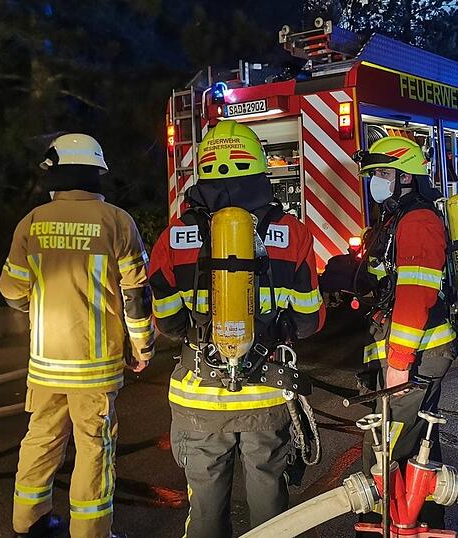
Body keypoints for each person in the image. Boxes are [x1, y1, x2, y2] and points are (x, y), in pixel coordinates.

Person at [149, 120, 325, 537]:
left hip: (199, 397)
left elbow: (168, 322)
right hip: (265, 396)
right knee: (271, 508)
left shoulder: (176, 236)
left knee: (206, 512)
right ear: (261, 169)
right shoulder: (292, 233)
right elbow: (309, 320)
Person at [0, 133, 154, 538]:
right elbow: (136, 295)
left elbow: (11, 291)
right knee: (93, 447)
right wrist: (142, 346)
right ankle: (90, 531)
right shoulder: (118, 222)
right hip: (96, 368)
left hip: (46, 364)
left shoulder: (32, 222)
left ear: (56, 174)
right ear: (97, 174)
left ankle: (27, 522)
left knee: (41, 438)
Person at [354, 136, 458, 530]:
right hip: (409, 351)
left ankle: (392, 526)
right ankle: (420, 525)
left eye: (383, 173)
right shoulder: (398, 218)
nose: (376, 182)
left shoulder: (417, 221)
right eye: (374, 174)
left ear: (406, 178)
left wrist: (397, 365)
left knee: (387, 450)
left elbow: (415, 297)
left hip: (414, 358)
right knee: (417, 446)